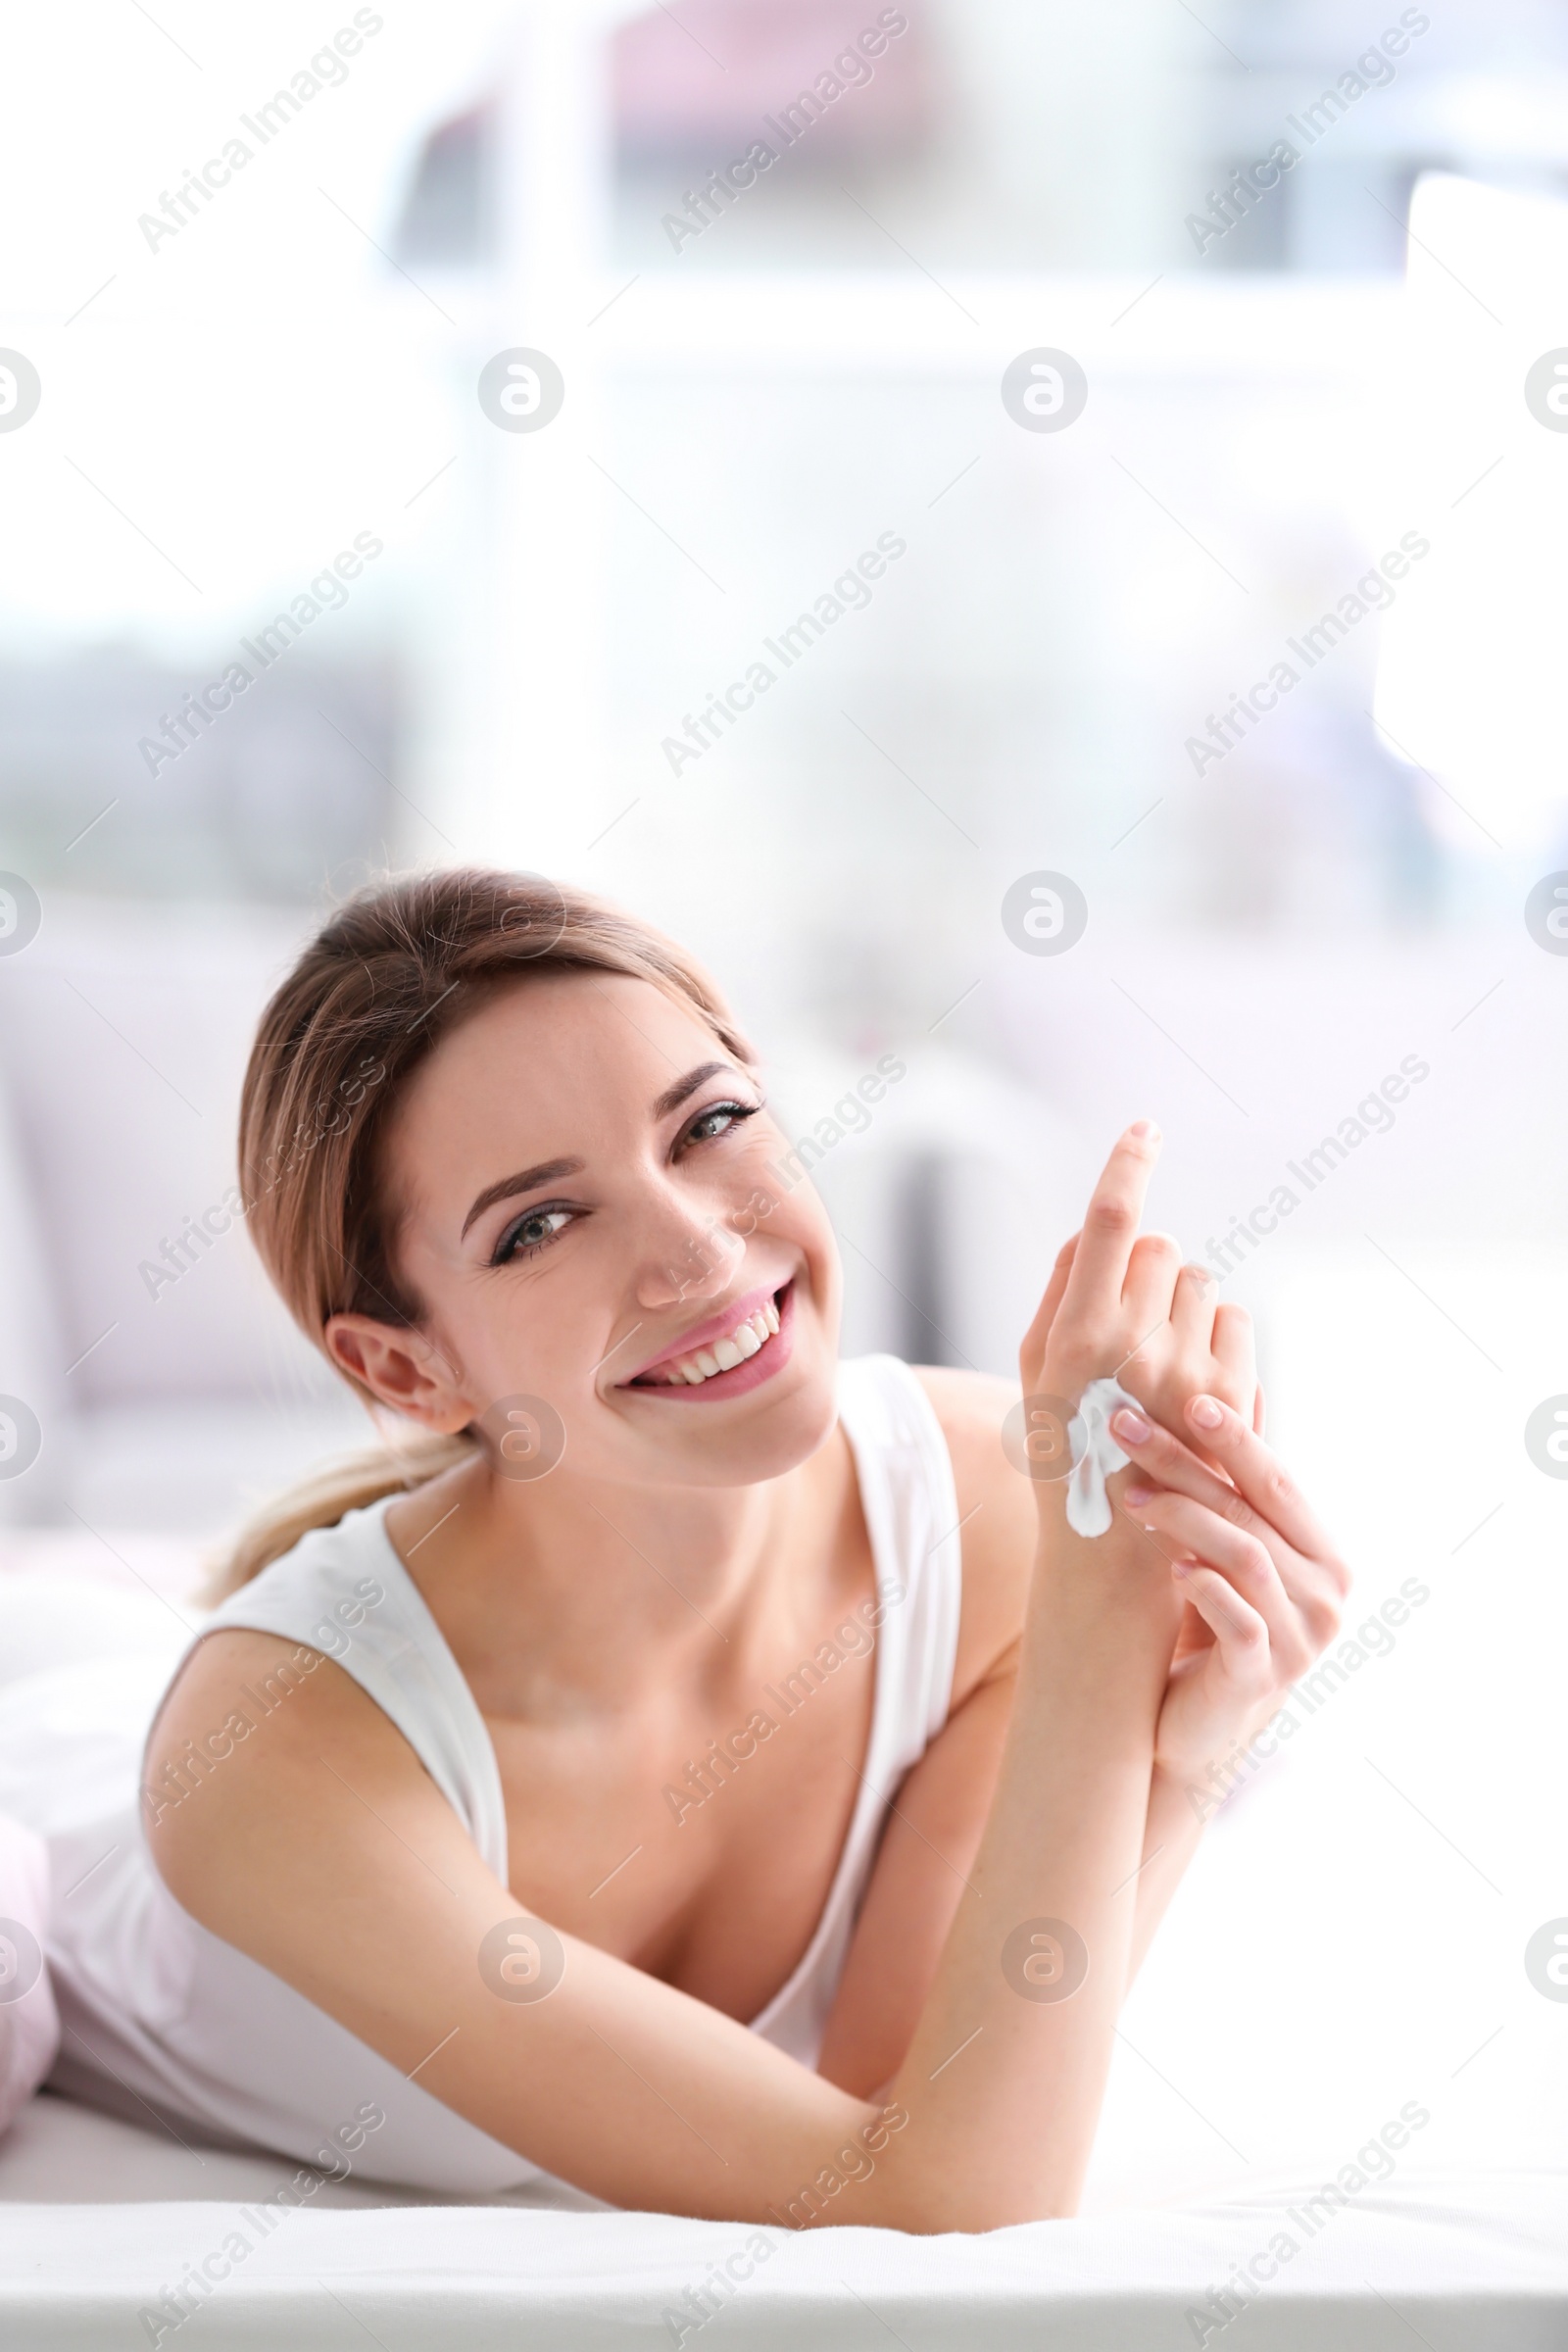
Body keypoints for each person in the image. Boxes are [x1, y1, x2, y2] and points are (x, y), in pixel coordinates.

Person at [46, 869, 1349, 2228]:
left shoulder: (992, 1515)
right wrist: (1106, 1613)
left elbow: (936, 2126)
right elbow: (922, 2195)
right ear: (406, 1364)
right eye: (539, 1225)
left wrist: (1184, 1765)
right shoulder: (270, 1759)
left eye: (709, 1123)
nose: (698, 1250)